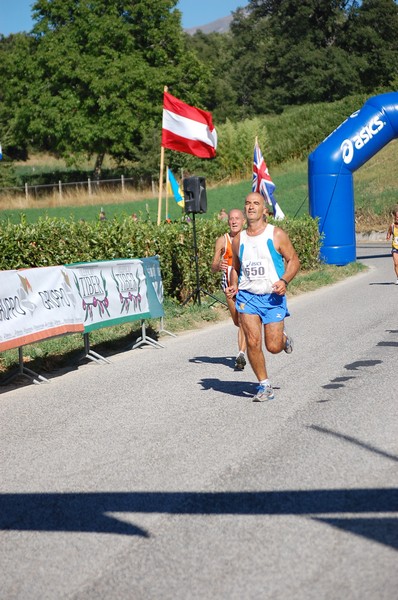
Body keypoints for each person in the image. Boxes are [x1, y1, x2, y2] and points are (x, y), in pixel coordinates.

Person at [226, 192, 300, 402]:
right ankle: (264, 385)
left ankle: (283, 339)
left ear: (264, 210)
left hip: (272, 297)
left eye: (255, 203)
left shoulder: (275, 234)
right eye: (247, 203)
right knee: (252, 341)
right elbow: (236, 268)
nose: (250, 207)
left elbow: (294, 260)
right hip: (248, 297)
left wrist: (284, 281)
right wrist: (233, 285)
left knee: (273, 346)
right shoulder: (239, 238)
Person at [211, 208, 247, 370]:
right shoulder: (222, 240)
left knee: (244, 321)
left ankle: (241, 354)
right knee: (237, 321)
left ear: (243, 221)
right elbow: (213, 266)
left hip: (246, 285)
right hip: (228, 286)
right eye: (231, 219)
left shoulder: (249, 238)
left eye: (237, 219)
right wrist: (218, 265)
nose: (233, 221)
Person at [386, 206, 398, 284]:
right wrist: (388, 236)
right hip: (395, 247)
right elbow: (389, 233)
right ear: (394, 217)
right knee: (396, 263)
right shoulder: (392, 226)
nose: (397, 218)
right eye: (397, 217)